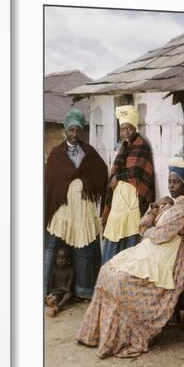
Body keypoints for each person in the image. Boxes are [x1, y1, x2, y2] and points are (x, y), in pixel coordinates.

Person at [77, 157, 184, 358]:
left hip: (170, 254)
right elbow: (143, 224)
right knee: (108, 270)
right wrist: (156, 206)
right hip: (152, 250)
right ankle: (97, 335)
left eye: (175, 182)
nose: (171, 186)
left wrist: (147, 231)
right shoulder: (169, 205)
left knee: (122, 281)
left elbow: (159, 235)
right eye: (169, 182)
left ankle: (127, 336)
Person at [44, 109, 108, 300]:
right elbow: (51, 179)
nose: (74, 134)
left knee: (84, 247)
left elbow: (101, 172)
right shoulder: (56, 154)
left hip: (82, 208)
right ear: (65, 130)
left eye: (77, 130)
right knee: (52, 246)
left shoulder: (88, 152)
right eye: (71, 130)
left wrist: (86, 183)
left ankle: (83, 290)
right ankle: (45, 289)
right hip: (62, 209)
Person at [101, 105, 155, 264]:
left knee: (130, 236)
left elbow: (137, 172)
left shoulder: (142, 146)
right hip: (118, 201)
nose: (126, 132)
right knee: (114, 234)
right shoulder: (123, 147)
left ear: (134, 128)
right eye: (123, 129)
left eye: (129, 128)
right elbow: (117, 172)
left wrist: (119, 176)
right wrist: (116, 178)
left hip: (133, 200)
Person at [45, 247, 74, 317]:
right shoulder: (54, 270)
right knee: (50, 301)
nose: (60, 261)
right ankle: (55, 305)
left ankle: (57, 309)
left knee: (68, 295)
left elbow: (68, 289)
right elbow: (50, 289)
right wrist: (61, 289)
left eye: (63, 258)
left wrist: (63, 289)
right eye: (58, 258)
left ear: (68, 260)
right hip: (57, 294)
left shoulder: (71, 270)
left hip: (65, 294)